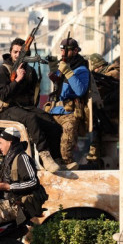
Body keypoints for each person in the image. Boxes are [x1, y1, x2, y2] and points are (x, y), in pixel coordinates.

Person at [0, 38, 62, 172]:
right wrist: (17, 80)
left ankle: (57, 159)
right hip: (8, 108)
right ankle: (45, 155)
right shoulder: (2, 70)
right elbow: (3, 95)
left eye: (21, 52)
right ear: (10, 52)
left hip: (26, 107)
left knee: (53, 124)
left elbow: (34, 95)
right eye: (15, 52)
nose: (18, 55)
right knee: (31, 119)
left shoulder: (30, 71)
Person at [47, 37, 90, 170]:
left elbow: (80, 90)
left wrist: (68, 72)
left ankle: (67, 163)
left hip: (70, 112)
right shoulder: (63, 65)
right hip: (55, 110)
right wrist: (55, 73)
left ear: (75, 51)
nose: (63, 53)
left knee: (66, 143)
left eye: (66, 50)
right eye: (61, 50)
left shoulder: (81, 69)